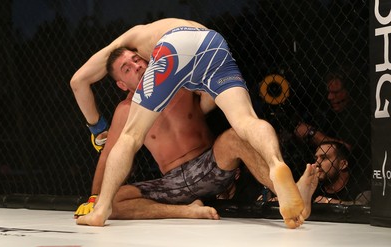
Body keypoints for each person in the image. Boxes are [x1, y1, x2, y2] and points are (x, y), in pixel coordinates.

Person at [70, 18, 305, 228]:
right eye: (126, 69)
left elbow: (79, 80)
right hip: (211, 42)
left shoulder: (142, 46)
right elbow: (106, 154)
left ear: (144, 55)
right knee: (247, 120)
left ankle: (101, 212)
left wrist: (96, 127)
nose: (137, 66)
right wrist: (95, 196)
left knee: (131, 138)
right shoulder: (126, 108)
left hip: (210, 164)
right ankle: (276, 166)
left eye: (136, 60)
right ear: (121, 84)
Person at [312, 141, 370, 205]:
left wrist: (328, 201)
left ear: (343, 164)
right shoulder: (314, 186)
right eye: (316, 159)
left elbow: (362, 204)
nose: (316, 164)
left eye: (324, 158)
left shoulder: (361, 183)